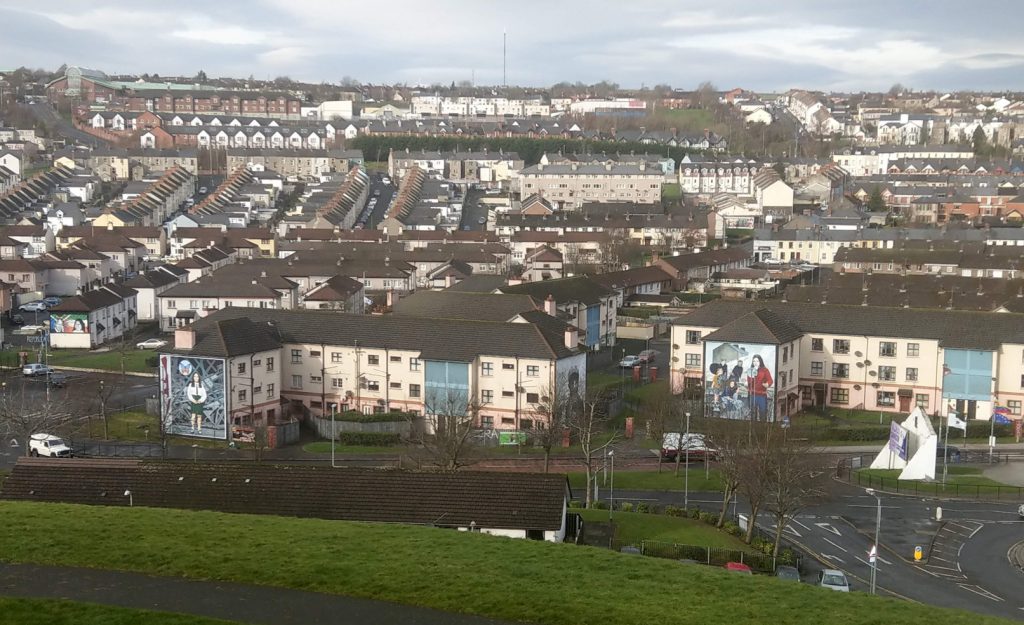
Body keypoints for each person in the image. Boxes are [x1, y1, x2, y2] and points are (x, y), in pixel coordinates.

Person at [749, 355, 774, 422]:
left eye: (757, 361)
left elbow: (770, 380)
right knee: (753, 414)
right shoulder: (750, 370)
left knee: (763, 413)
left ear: (760, 361)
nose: (755, 362)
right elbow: (749, 382)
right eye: (754, 361)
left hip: (762, 396)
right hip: (753, 395)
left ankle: (762, 428)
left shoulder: (765, 370)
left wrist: (767, 384)